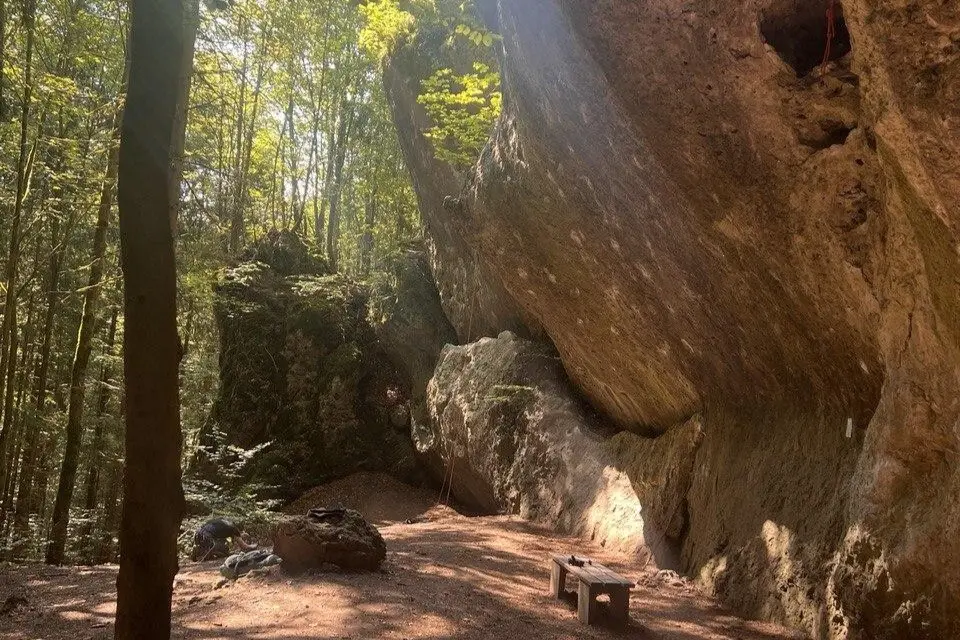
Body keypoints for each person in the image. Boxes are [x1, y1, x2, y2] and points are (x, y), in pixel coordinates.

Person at [191, 517, 257, 561]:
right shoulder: (233, 529)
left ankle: (200, 551)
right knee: (225, 550)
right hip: (207, 536)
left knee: (220, 543)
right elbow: (244, 546)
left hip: (198, 533)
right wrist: (253, 546)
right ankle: (205, 554)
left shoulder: (223, 521)